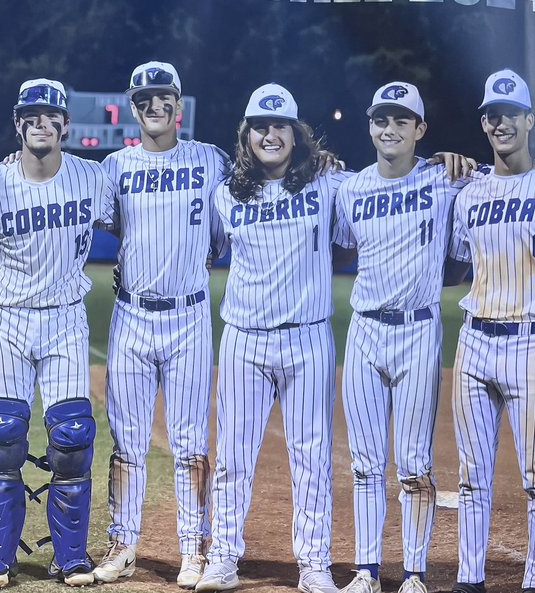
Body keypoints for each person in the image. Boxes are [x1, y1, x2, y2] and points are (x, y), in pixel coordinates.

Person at [195, 83, 345, 593]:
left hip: (307, 340)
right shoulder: (225, 195)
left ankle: (314, 564)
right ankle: (223, 557)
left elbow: (365, 213)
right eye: (260, 125)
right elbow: (209, 251)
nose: (270, 134)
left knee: (311, 456)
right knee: (234, 456)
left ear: (296, 133)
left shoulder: (326, 185)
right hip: (244, 339)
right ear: (247, 135)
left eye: (280, 125)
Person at [0, 78, 115, 590]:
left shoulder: (93, 178)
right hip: (8, 316)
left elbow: (134, 222)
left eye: (50, 115)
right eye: (30, 114)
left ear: (65, 126)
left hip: (66, 316)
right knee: (3, 436)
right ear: (17, 123)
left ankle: (70, 557)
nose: (40, 122)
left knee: (73, 439)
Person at [332, 82, 476, 593]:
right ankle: (366, 571)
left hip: (418, 330)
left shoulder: (446, 178)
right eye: (380, 120)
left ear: (420, 130)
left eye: (400, 120)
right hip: (365, 331)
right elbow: (342, 246)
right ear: (369, 126)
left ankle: (414, 572)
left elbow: (514, 170)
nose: (388, 129)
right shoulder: (350, 188)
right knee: (367, 463)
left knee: (414, 463)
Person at [91, 61, 228, 588]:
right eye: (144, 98)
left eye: (163, 97)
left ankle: (193, 550)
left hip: (189, 315)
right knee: (127, 441)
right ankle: (124, 545)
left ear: (178, 103)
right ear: (133, 106)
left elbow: (221, 238)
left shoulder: (210, 161)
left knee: (190, 440)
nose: (154, 105)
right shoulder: (114, 168)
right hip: (131, 315)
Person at [444, 69, 535, 593]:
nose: (501, 123)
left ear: (530, 120)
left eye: (510, 114)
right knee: (471, 473)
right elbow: (457, 265)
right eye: (491, 115)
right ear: (484, 122)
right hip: (475, 341)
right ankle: (469, 579)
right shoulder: (469, 192)